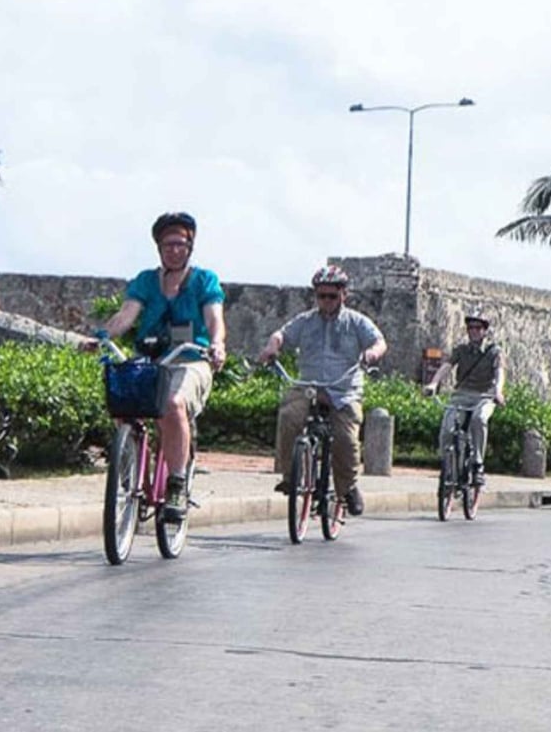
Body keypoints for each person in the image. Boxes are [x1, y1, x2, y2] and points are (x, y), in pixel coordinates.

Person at [84, 212, 226, 521]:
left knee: (173, 405)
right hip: (151, 358)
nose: (174, 250)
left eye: (180, 244)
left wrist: (217, 344)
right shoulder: (146, 280)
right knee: (123, 401)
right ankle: (129, 463)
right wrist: (103, 336)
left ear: (190, 247)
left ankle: (176, 484)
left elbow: (215, 317)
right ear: (158, 248)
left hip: (190, 358)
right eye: (167, 244)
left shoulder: (204, 280)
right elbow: (126, 314)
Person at [257, 264, 386, 516]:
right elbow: (281, 335)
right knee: (289, 416)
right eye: (321, 296)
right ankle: (291, 475)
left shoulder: (357, 322)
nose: (326, 301)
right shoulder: (305, 321)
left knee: (346, 440)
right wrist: (272, 348)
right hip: (310, 387)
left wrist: (371, 354)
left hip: (343, 391)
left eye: (332, 296)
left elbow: (379, 342)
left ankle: (348, 487)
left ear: (343, 295)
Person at [425, 310, 504, 484]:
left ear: (485, 330)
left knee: (479, 419)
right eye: (470, 328)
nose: (474, 331)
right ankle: (448, 464)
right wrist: (433, 383)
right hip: (461, 395)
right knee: (447, 428)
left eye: (478, 327)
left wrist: (498, 391)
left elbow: (499, 372)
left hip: (484, 396)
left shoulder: (494, 351)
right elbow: (447, 366)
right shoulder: (461, 350)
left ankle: (478, 464)